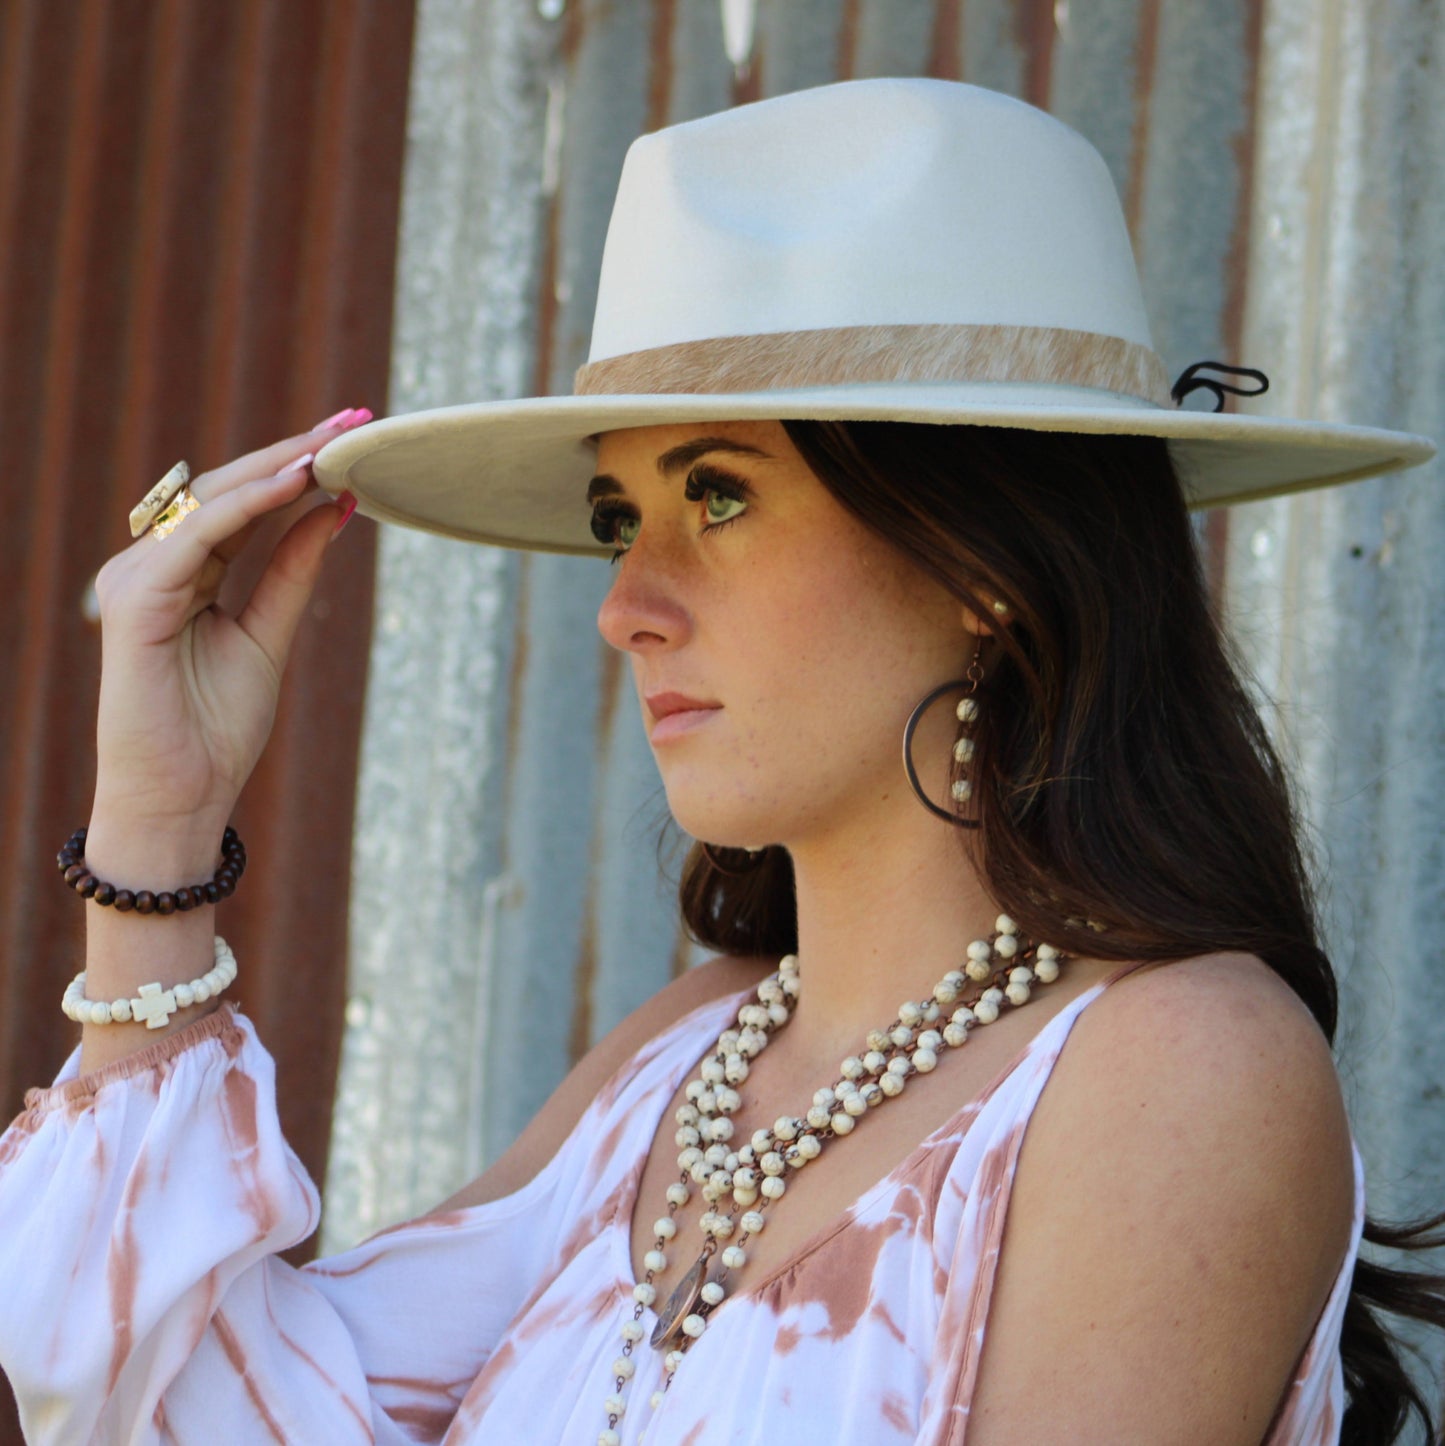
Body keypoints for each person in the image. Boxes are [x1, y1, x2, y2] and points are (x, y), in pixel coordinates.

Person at [0, 76, 1440, 1446]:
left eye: (719, 494)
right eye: (624, 516)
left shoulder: (1174, 1069)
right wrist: (159, 830)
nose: (627, 605)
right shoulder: (678, 1062)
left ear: (979, 556)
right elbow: (181, 1408)